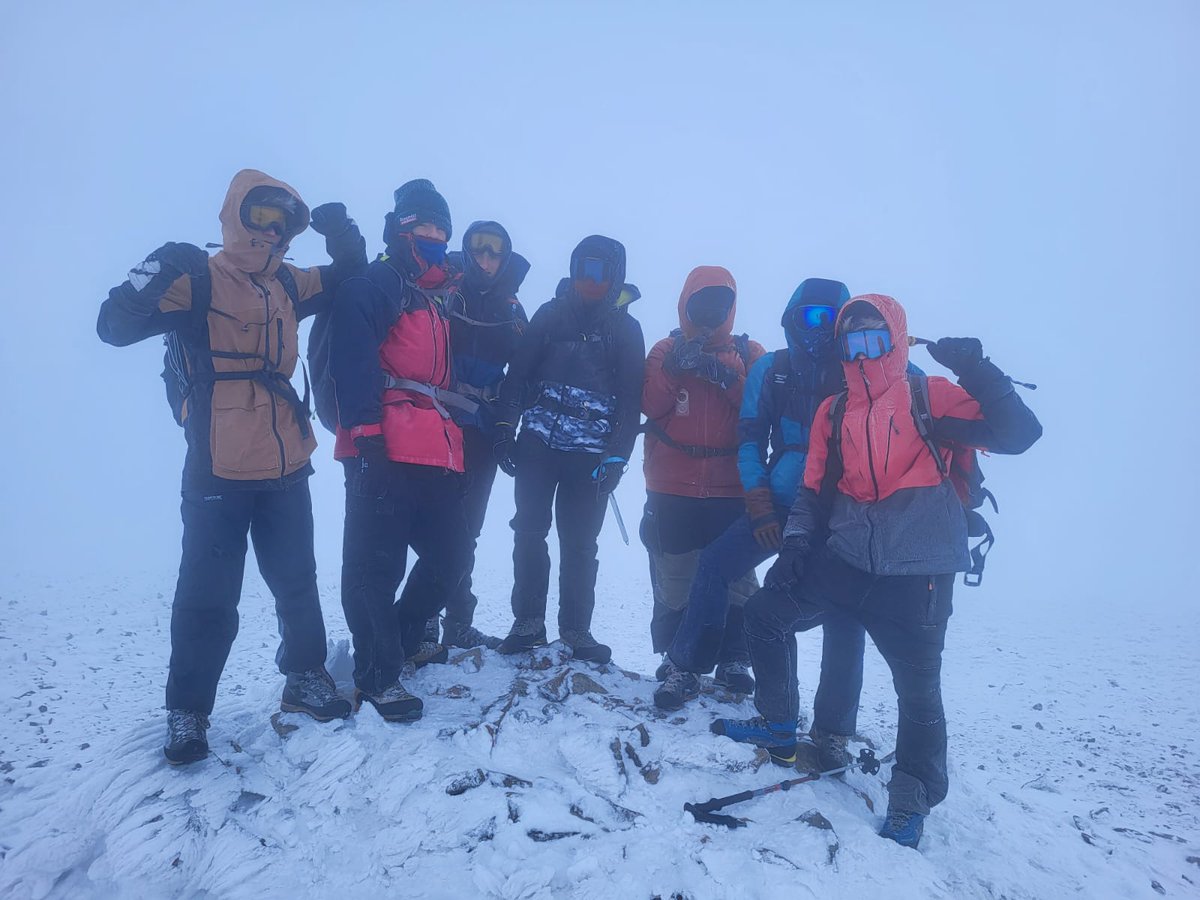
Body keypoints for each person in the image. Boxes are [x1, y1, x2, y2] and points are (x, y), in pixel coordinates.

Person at [713, 294, 1042, 849]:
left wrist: (977, 370)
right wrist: (795, 547)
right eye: (853, 342)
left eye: (874, 339)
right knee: (766, 613)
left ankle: (911, 799)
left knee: (917, 693)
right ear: (842, 348)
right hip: (844, 562)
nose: (863, 352)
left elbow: (1018, 434)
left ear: (895, 338)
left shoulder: (928, 395)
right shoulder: (833, 411)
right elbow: (813, 492)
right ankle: (778, 725)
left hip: (919, 575)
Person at [96, 169, 367, 765]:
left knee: (296, 582)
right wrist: (158, 266)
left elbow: (349, 275)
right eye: (263, 216)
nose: (273, 231)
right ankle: (188, 710)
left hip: (287, 462)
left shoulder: (289, 283)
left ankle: (305, 676)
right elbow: (112, 327)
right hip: (217, 467)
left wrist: (341, 231)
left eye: (284, 222)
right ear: (236, 214)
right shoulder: (197, 277)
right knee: (207, 594)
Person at [654, 278, 856, 712]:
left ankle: (828, 728)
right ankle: (687, 666)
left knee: (838, 614)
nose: (817, 327)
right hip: (780, 504)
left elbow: (908, 401)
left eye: (830, 317)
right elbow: (750, 441)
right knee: (714, 564)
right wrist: (760, 503)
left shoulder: (860, 367)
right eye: (808, 315)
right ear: (791, 316)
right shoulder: (773, 369)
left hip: (840, 514)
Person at [330, 179, 473, 722]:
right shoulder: (378, 283)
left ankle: (403, 639)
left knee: (453, 554)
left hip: (435, 451)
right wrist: (366, 438)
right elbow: (352, 359)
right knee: (375, 565)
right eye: (423, 228)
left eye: (440, 229)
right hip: (381, 445)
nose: (433, 238)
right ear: (400, 229)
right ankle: (377, 676)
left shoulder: (432, 297)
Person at [492, 236, 645, 663]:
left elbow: (631, 401)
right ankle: (527, 624)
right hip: (537, 444)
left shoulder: (627, 330)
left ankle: (576, 630)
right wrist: (506, 427)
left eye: (598, 271)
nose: (588, 280)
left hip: (591, 457)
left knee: (579, 543)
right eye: (581, 268)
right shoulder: (549, 314)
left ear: (614, 276)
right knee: (528, 532)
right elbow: (517, 376)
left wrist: (618, 456)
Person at [640, 266, 766, 693]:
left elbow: (761, 410)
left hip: (732, 488)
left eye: (720, 302)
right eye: (702, 301)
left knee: (736, 578)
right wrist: (676, 367)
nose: (710, 312)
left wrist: (729, 379)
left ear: (731, 308)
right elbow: (651, 403)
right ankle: (679, 662)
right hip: (671, 486)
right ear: (686, 304)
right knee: (675, 577)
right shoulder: (664, 349)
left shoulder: (751, 355)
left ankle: (734, 659)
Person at [416, 221, 530, 650]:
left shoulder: (512, 308)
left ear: (504, 258)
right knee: (435, 525)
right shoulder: (447, 291)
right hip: (437, 421)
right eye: (479, 250)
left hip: (483, 428)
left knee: (469, 529)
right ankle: (425, 618)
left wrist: (507, 425)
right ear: (467, 250)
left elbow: (524, 371)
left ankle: (458, 621)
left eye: (495, 253)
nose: (486, 260)